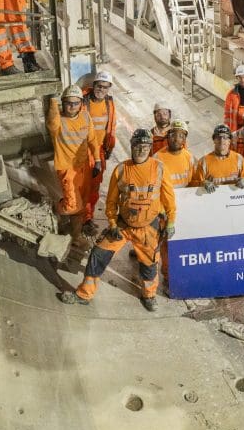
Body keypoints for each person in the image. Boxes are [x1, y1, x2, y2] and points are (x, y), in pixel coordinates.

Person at [60, 128, 175, 312]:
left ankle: (149, 295)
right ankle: (84, 294)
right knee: (98, 254)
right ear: (132, 146)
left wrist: (170, 222)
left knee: (149, 264)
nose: (141, 150)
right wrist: (113, 223)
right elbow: (111, 201)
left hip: (148, 227)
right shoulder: (121, 169)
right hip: (123, 225)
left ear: (150, 148)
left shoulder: (159, 168)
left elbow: (169, 199)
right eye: (138, 146)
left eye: (146, 146)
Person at [46, 84, 100, 248]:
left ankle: (75, 236)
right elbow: (52, 122)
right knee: (72, 206)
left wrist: (97, 160)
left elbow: (92, 140)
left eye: (75, 103)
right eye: (68, 103)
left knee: (82, 204)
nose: (72, 106)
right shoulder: (57, 121)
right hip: (67, 168)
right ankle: (53, 209)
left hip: (84, 167)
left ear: (81, 103)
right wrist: (53, 100)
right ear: (62, 103)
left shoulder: (85, 117)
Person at [156, 119, 195, 289]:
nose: (176, 139)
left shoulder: (189, 158)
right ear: (168, 136)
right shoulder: (158, 158)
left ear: (185, 139)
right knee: (166, 244)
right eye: (173, 134)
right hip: (164, 211)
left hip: (183, 210)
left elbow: (193, 183)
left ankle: (182, 272)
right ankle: (168, 275)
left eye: (180, 135)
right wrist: (161, 210)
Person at [81, 69, 117, 236]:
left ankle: (87, 217)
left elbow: (112, 126)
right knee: (82, 185)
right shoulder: (83, 101)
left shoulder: (109, 103)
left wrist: (110, 147)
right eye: (99, 86)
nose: (101, 90)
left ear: (108, 88)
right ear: (94, 85)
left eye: (105, 87)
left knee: (94, 186)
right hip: (83, 151)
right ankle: (81, 218)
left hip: (100, 151)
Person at [196, 124, 244, 191]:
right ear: (214, 140)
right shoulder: (203, 162)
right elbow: (194, 183)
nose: (221, 140)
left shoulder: (239, 159)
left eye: (225, 137)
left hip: (234, 197)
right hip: (212, 197)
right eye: (218, 137)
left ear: (229, 141)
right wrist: (203, 183)